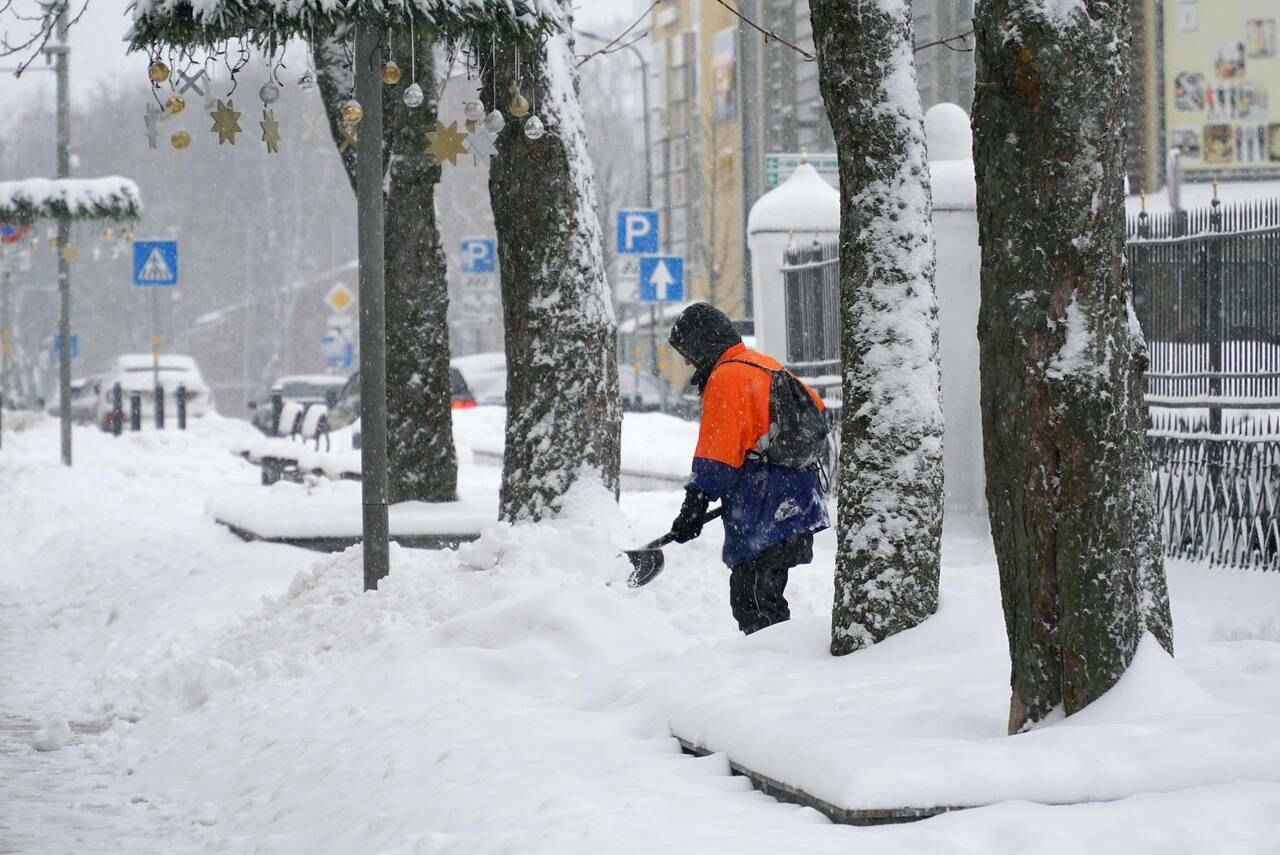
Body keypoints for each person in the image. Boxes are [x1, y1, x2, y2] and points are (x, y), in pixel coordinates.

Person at [667, 302, 830, 635]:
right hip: (793, 498)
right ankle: (775, 670)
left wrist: (694, 504)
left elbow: (718, 454)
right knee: (764, 597)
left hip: (766, 506)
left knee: (754, 602)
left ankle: (774, 674)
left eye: (688, 352)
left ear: (703, 343)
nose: (687, 362)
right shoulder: (759, 364)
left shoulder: (728, 376)